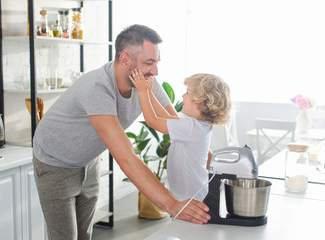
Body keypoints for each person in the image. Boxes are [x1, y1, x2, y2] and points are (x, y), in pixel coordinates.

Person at [32, 24, 211, 240]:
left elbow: (177, 125)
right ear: (125, 60)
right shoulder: (97, 88)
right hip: (54, 163)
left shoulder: (147, 82)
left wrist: (212, 162)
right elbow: (126, 158)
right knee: (65, 237)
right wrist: (173, 205)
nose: (155, 72)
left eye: (156, 62)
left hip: (88, 161)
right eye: (149, 63)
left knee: (83, 235)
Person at [129, 70, 232, 201]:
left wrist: (142, 91)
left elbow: (152, 121)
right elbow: (167, 117)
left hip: (190, 199)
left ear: (201, 102)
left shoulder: (191, 127)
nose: (183, 96)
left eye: (188, 93)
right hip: (195, 195)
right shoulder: (199, 125)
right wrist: (149, 92)